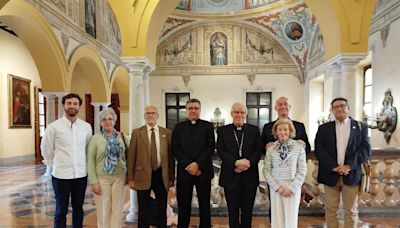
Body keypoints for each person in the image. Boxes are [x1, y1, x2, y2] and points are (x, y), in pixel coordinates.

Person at [315, 97, 371, 228]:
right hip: (330, 174)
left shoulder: (360, 127)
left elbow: (365, 149)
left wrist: (349, 166)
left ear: (348, 108)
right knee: (330, 210)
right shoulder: (324, 128)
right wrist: (333, 167)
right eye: (336, 107)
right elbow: (319, 149)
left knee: (350, 211)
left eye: (342, 106)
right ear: (332, 110)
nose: (339, 109)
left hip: (351, 174)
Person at [41, 93, 92, 228]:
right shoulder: (53, 127)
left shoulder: (86, 127)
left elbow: (88, 149)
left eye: (75, 104)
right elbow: (46, 149)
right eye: (69, 103)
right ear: (63, 105)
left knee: (78, 209)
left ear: (79, 107)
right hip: (61, 175)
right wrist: (54, 164)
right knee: (60, 211)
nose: (72, 106)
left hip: (80, 175)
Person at [261, 96, 310, 221]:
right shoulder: (268, 127)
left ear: (289, 107)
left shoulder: (299, 126)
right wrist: (266, 146)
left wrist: (302, 144)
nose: (283, 107)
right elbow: (260, 148)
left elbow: (307, 147)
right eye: (280, 104)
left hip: (293, 179)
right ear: (276, 108)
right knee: (276, 214)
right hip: (275, 180)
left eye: (285, 104)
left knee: (291, 216)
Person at [216, 102, 263, 228]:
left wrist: (248, 163)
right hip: (231, 176)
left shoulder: (254, 130)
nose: (239, 115)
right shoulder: (223, 131)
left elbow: (258, 150)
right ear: (231, 114)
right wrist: (235, 163)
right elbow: (221, 150)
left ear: (246, 114)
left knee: (247, 211)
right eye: (236, 112)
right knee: (232, 212)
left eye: (242, 112)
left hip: (250, 176)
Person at [127, 105, 174, 228]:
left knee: (161, 207)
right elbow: (131, 156)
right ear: (144, 116)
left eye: (153, 113)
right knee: (143, 208)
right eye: (147, 113)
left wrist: (171, 178)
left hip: (161, 174)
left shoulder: (167, 133)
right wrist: (130, 178)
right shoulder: (137, 133)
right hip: (142, 175)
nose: (150, 115)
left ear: (158, 116)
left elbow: (170, 157)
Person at [172, 98, 215, 228]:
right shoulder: (179, 127)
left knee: (204, 206)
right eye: (190, 108)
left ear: (200, 110)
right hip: (185, 172)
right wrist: (189, 165)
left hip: (203, 172)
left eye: (196, 108)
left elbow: (210, 147)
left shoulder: (208, 126)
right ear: (186, 110)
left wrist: (198, 165)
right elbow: (175, 148)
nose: (193, 111)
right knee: (183, 206)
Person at [263, 118, 307, 228]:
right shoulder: (270, 149)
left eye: (285, 129)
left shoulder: (299, 147)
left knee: (291, 220)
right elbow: (266, 170)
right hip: (276, 188)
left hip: (293, 187)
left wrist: (292, 188)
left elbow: (302, 170)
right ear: (276, 132)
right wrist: (277, 187)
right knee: (277, 220)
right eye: (280, 130)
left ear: (290, 131)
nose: (283, 132)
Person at [87, 108, 127, 228]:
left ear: (115, 120)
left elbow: (128, 156)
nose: (107, 121)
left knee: (117, 208)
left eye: (110, 119)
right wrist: (93, 182)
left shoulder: (122, 137)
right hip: (102, 178)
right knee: (103, 208)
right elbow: (90, 161)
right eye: (104, 119)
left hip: (119, 177)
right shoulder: (95, 138)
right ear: (100, 122)